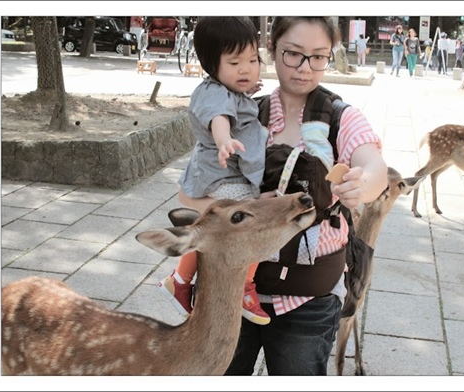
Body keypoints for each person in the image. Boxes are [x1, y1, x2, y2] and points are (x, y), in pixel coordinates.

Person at [178, 16, 388, 376]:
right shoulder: (242, 112)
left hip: (307, 300)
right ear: (271, 50)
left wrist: (362, 182)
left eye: (319, 56)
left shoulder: (340, 117)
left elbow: (375, 167)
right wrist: (243, 210)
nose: (306, 68)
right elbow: (189, 195)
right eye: (293, 54)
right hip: (230, 291)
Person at [158, 17, 272, 326]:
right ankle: (243, 285)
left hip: (228, 175)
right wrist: (224, 141)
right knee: (253, 222)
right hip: (221, 175)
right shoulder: (213, 95)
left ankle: (180, 279)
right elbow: (218, 119)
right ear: (211, 65)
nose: (246, 69)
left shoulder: (230, 89)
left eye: (253, 60)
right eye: (235, 62)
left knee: (209, 228)